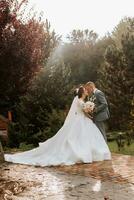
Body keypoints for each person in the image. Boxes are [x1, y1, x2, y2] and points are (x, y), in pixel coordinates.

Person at [5, 86, 111, 166]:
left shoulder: (81, 101)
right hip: (79, 121)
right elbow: (83, 111)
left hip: (83, 119)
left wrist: (89, 116)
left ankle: (91, 153)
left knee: (86, 137)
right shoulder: (79, 101)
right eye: (86, 91)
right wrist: (89, 111)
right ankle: (83, 154)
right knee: (79, 137)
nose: (87, 92)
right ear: (82, 92)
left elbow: (84, 112)